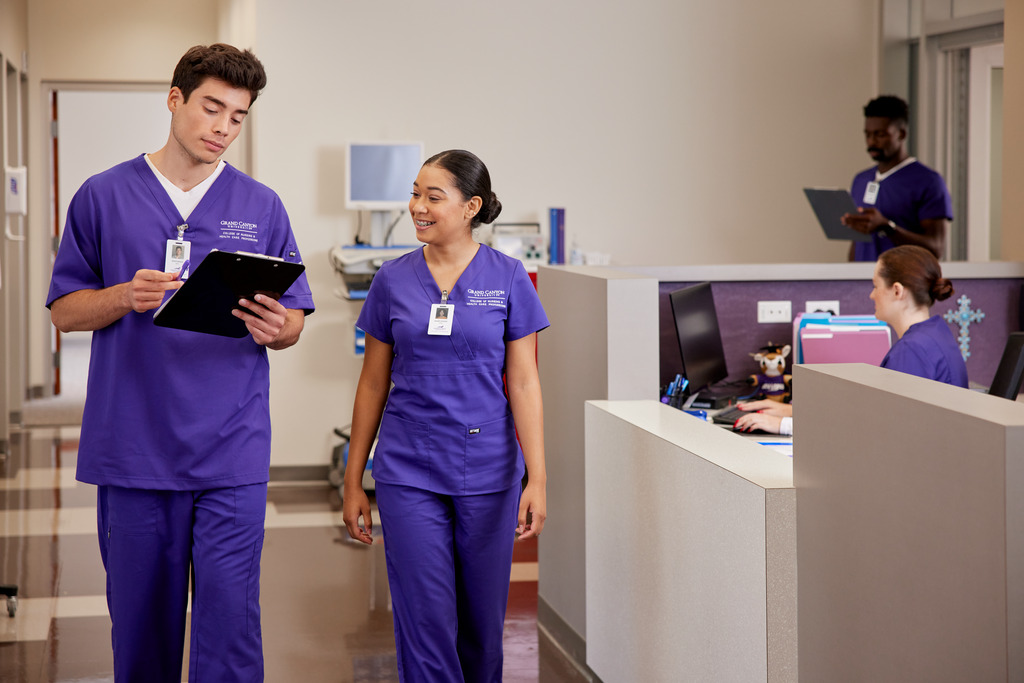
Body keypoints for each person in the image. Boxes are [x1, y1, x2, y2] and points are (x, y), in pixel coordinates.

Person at [46, 44, 314, 682]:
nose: (222, 128)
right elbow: (63, 310)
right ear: (175, 100)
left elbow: (296, 317)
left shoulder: (262, 205)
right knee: (141, 634)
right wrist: (121, 296)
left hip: (232, 449)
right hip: (135, 448)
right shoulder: (103, 196)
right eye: (211, 108)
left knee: (231, 631)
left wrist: (281, 329)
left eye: (238, 117)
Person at [342, 149, 548, 682]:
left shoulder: (508, 278)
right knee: (424, 622)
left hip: (488, 469)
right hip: (408, 469)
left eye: (433, 197)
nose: (417, 207)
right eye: (414, 193)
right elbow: (372, 382)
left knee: (480, 626)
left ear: (470, 206)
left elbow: (524, 382)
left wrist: (538, 477)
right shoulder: (392, 280)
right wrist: (353, 479)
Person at [735, 245, 967, 434]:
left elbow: (877, 429)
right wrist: (794, 412)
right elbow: (871, 412)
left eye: (876, 286)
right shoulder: (935, 335)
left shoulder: (912, 351)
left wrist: (783, 426)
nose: (871, 295)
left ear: (897, 291)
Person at [841, 95, 953, 262]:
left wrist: (888, 227)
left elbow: (935, 248)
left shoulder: (928, 181)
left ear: (901, 134)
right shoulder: (861, 180)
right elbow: (856, 244)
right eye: (868, 134)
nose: (871, 142)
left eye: (880, 134)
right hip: (863, 283)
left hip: (902, 283)